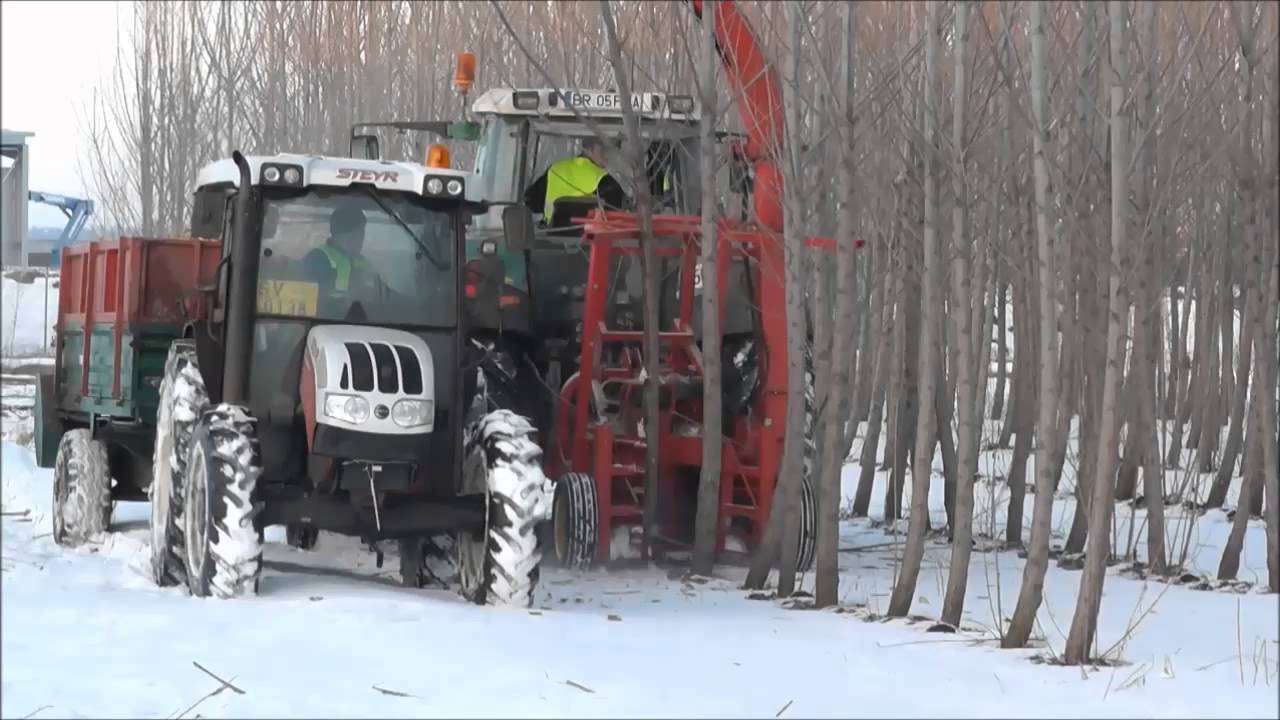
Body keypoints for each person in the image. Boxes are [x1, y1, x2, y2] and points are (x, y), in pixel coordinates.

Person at [523, 136, 629, 223]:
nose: (607, 155)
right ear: (588, 149)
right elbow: (621, 214)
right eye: (603, 150)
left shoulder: (555, 169)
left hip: (552, 238)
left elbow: (531, 202)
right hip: (589, 243)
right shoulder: (604, 179)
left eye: (611, 150)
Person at [302, 203, 382, 295]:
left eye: (361, 233)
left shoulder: (364, 263)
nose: (360, 240)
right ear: (337, 234)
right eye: (355, 234)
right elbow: (307, 296)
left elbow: (383, 294)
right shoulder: (316, 259)